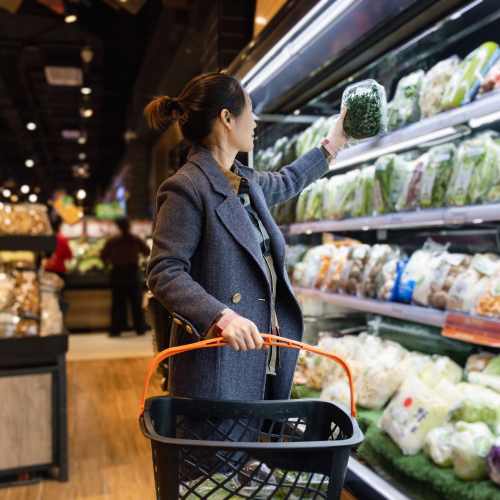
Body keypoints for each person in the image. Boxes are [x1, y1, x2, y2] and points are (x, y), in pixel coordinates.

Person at [145, 72, 347, 403]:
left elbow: (288, 180)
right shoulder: (186, 187)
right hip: (217, 365)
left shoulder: (244, 181)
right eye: (249, 110)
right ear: (227, 118)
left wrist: (335, 141)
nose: (254, 121)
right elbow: (164, 272)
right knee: (222, 453)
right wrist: (220, 317)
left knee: (252, 449)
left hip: (259, 358)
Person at [101, 217, 150, 337]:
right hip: (132, 273)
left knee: (117, 303)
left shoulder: (112, 241)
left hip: (117, 273)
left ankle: (115, 330)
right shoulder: (135, 239)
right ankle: (140, 329)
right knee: (136, 303)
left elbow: (103, 256)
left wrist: (109, 263)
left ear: (118, 227)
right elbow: (147, 251)